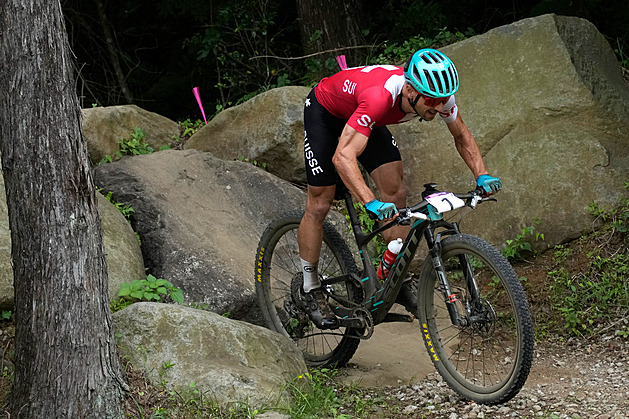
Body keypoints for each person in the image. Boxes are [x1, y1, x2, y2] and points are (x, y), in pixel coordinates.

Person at [297, 48, 501, 329]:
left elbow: (462, 135)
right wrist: (369, 201)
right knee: (320, 203)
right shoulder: (380, 97)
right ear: (409, 90)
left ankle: (396, 278)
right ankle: (309, 286)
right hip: (326, 113)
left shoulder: (438, 97)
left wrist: (482, 175)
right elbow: (342, 157)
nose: (439, 107)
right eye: (431, 100)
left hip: (362, 115)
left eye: (444, 101)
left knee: (396, 192)